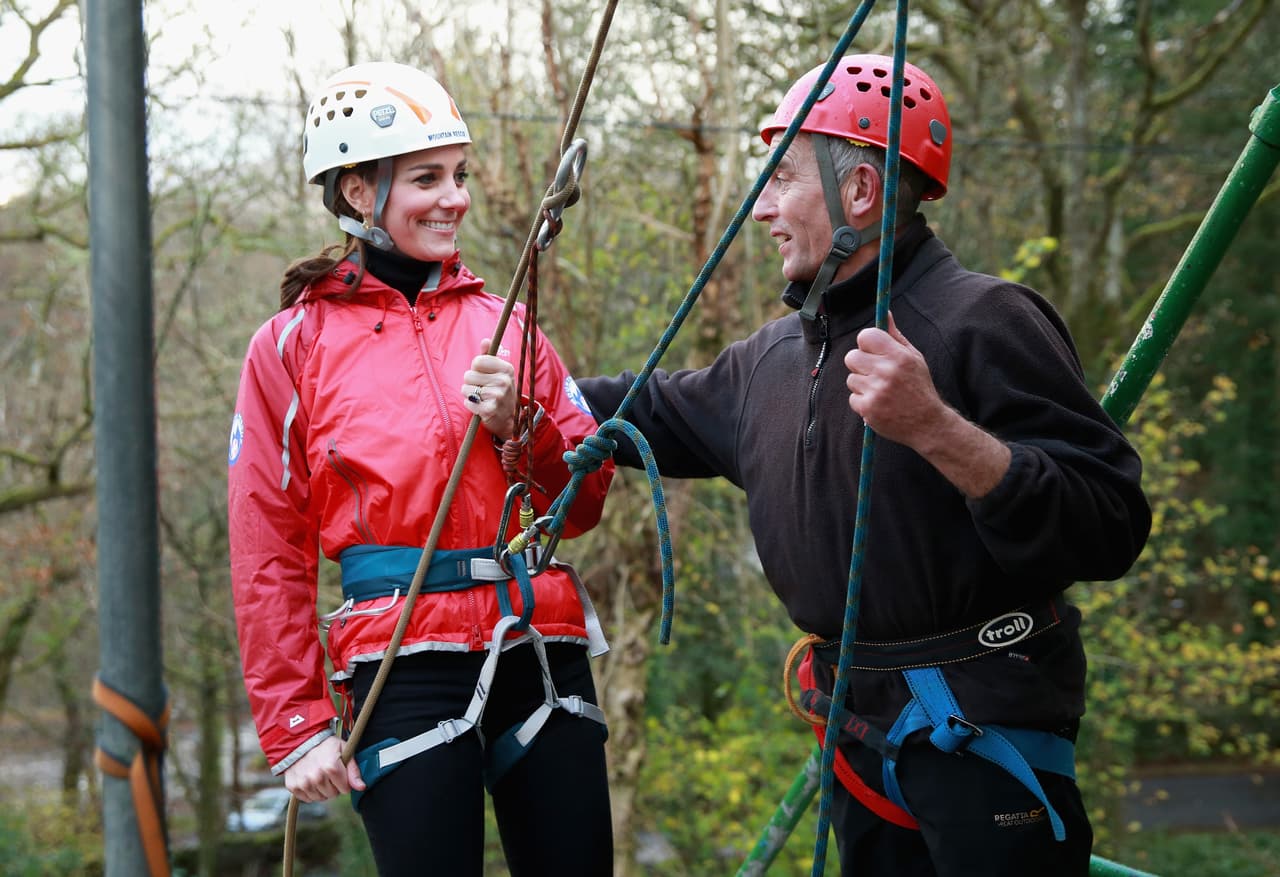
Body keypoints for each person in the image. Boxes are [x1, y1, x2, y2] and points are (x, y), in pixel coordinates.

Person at [577, 55, 1151, 876]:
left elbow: (1109, 523)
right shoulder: (772, 357)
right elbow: (651, 407)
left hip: (985, 725)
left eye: (782, 180)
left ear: (859, 194)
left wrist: (936, 428)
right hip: (858, 726)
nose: (764, 210)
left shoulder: (985, 321)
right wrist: (531, 393)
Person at [227, 61, 614, 876]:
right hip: (401, 664)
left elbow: (581, 503)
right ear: (360, 193)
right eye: (428, 178)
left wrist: (522, 426)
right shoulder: (292, 348)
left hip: (533, 641)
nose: (456, 197)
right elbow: (267, 547)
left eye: (460, 175)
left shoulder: (506, 321)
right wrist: (295, 722)